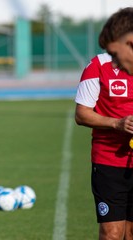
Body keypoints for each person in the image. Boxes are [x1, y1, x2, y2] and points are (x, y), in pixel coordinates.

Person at [75, 52, 133, 239]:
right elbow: (82, 114)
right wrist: (117, 123)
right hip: (109, 161)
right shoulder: (99, 65)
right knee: (112, 234)